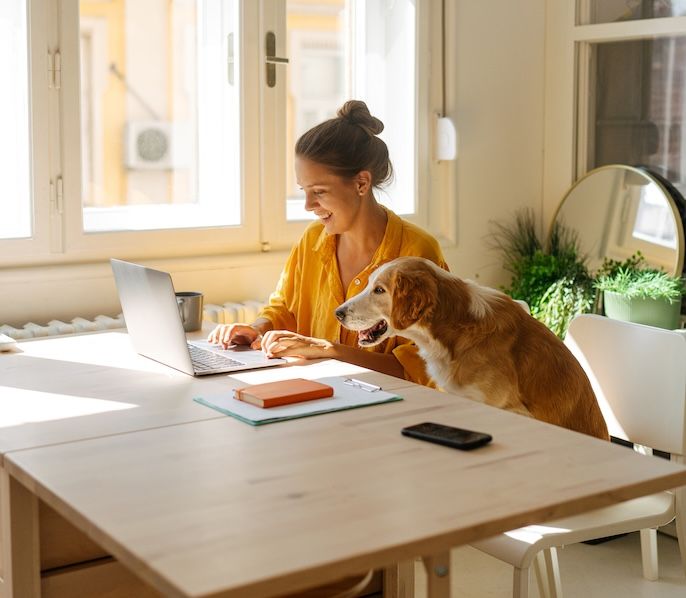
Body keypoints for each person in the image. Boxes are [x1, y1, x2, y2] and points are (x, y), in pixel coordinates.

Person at [208, 100, 448, 385]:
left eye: (319, 191)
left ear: (361, 183)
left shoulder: (417, 252)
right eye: (304, 191)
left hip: (389, 407)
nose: (308, 205)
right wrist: (255, 328)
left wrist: (331, 352)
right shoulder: (313, 240)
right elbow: (285, 308)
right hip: (316, 394)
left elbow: (422, 368)